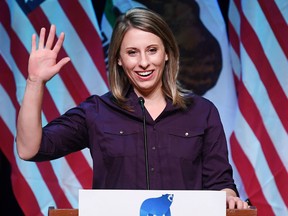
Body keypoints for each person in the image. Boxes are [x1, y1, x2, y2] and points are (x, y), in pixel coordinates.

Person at [16, 7, 248, 209]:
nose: (144, 62)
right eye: (132, 53)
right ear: (118, 59)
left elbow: (220, 184)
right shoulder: (97, 111)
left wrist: (229, 198)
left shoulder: (202, 112)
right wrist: (35, 82)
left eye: (152, 50)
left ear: (167, 53)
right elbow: (29, 148)